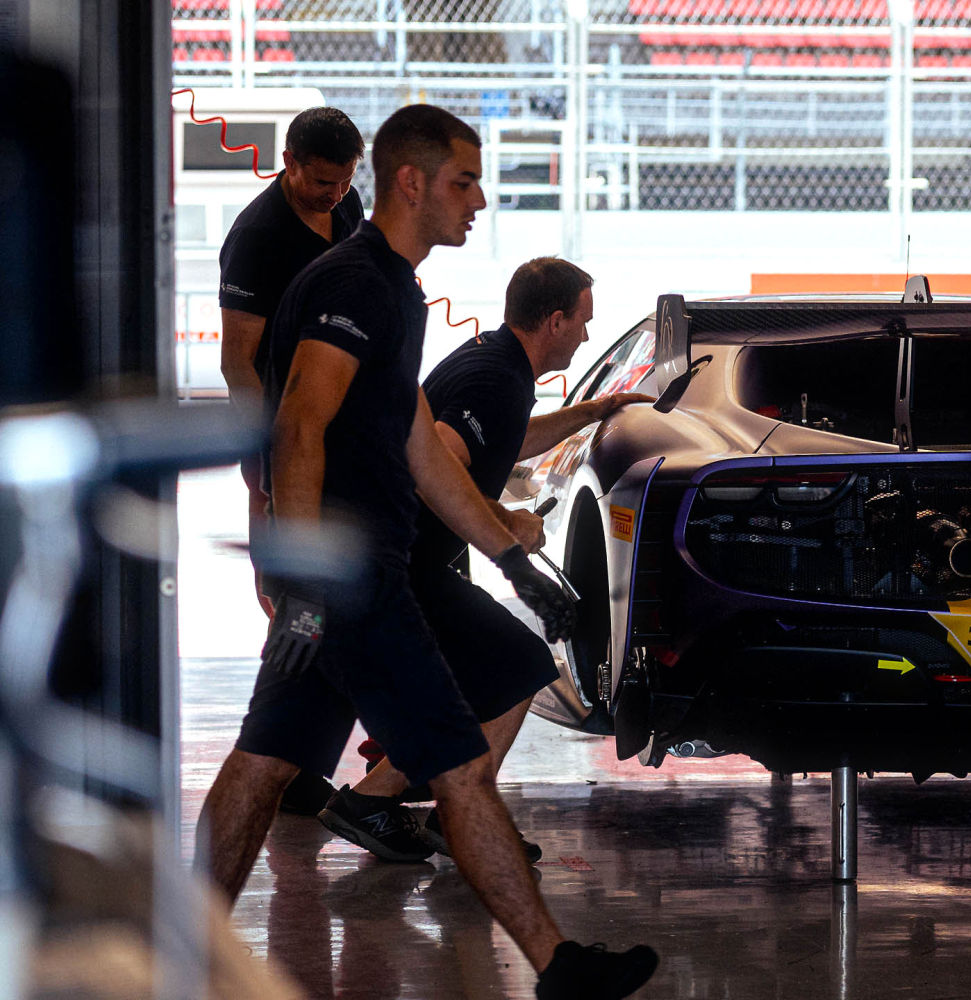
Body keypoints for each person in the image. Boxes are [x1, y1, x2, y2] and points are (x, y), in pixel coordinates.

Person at [194, 104, 657, 1000]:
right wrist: (304, 582)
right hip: (354, 582)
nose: (478, 201)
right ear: (411, 182)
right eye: (463, 181)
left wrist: (511, 555)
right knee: (456, 767)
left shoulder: (392, 290)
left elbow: (415, 445)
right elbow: (297, 425)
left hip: (345, 578)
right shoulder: (357, 285)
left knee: (262, 761)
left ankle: (171, 953)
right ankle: (558, 968)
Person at [317, 257, 653, 864]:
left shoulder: (496, 364)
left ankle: (426, 811)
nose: (586, 335)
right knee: (521, 665)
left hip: (391, 558)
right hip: (400, 564)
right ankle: (399, 809)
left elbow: (504, 438)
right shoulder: (495, 380)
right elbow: (439, 463)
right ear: (554, 321)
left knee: (476, 680)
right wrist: (507, 527)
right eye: (582, 323)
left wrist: (590, 412)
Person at [218, 106, 365, 815]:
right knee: (290, 596)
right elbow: (236, 360)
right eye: (319, 183)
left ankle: (340, 748)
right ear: (289, 160)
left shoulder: (349, 208)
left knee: (346, 591)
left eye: (343, 183)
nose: (331, 196)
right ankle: (287, 758)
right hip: (286, 436)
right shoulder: (257, 238)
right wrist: (266, 460)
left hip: (348, 431)